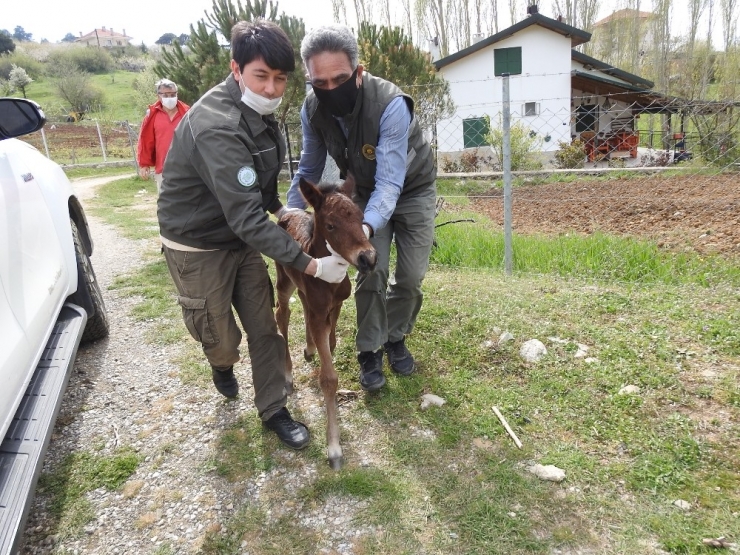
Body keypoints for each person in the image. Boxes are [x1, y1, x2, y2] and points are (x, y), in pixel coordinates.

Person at [157, 20, 349, 450]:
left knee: (264, 325)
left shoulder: (262, 117)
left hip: (239, 238)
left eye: (281, 79)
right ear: (236, 69)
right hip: (197, 242)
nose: (271, 89)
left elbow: (260, 189)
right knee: (221, 337)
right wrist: (312, 263)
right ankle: (221, 364)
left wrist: (284, 211)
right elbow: (246, 217)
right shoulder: (216, 125)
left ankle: (274, 408)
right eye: (261, 76)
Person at [286, 24, 437, 392]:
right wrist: (290, 214)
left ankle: (395, 337)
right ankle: (369, 350)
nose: (329, 90)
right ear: (309, 79)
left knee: (412, 278)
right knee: (370, 270)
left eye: (339, 79)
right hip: (364, 193)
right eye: (319, 83)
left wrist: (363, 232)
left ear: (359, 72)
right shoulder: (312, 110)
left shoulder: (390, 105)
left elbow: (391, 182)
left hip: (413, 190)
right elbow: (308, 167)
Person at [137, 78, 189, 193]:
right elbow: (146, 140)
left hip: (187, 169)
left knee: (188, 206)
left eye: (173, 94)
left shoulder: (187, 114)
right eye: (165, 95)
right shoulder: (152, 116)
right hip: (163, 170)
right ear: (158, 96)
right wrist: (144, 164)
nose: (170, 98)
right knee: (166, 207)